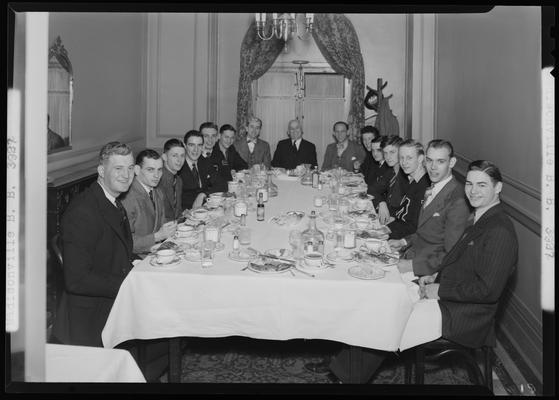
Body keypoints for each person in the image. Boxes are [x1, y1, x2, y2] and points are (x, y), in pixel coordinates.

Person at [319, 160, 518, 384]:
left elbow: (488, 290)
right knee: (382, 301)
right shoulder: (482, 217)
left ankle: (346, 378)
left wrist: (441, 289)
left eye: (482, 185)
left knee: (388, 316)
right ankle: (346, 371)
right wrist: (435, 276)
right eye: (470, 184)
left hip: (463, 316)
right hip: (450, 299)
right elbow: (462, 262)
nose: (473, 191)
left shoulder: (499, 230)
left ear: (498, 187)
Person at [52, 141, 136, 348]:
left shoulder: (112, 200)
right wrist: (130, 285)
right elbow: (77, 280)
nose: (126, 175)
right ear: (101, 170)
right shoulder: (83, 212)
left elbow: (120, 253)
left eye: (130, 168)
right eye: (118, 168)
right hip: (90, 316)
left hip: (110, 299)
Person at [389, 140, 471, 276]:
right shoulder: (433, 187)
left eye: (440, 161)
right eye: (429, 160)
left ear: (451, 163)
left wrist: (412, 266)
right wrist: (403, 241)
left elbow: (451, 253)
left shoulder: (458, 199)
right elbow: (425, 231)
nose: (433, 167)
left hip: (426, 271)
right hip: (411, 255)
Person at [121, 149, 177, 254]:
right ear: (137, 170)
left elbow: (160, 222)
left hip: (155, 251)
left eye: (159, 170)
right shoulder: (127, 198)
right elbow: (125, 242)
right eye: (150, 170)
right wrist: (157, 236)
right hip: (136, 258)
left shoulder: (157, 192)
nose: (156, 175)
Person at [386, 139, 432, 240]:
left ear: (420, 159)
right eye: (401, 158)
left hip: (407, 240)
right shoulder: (411, 180)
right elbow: (403, 215)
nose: (404, 162)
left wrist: (386, 233)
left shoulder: (425, 187)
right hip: (397, 230)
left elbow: (414, 227)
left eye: (409, 158)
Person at [180, 129, 227, 210]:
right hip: (186, 212)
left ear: (202, 147)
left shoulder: (204, 161)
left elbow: (222, 184)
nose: (196, 150)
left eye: (199, 145)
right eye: (192, 145)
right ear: (185, 146)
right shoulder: (179, 165)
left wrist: (203, 194)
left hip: (205, 209)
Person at [371, 135, 406, 224]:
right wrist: (381, 203)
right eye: (385, 153)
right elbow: (372, 189)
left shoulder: (407, 175)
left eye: (392, 152)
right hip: (388, 216)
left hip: (398, 222)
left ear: (401, 152)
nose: (388, 157)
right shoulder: (391, 171)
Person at [159, 139, 186, 220]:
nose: (179, 160)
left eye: (182, 156)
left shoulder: (178, 180)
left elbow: (176, 212)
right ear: (164, 157)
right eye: (174, 155)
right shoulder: (158, 180)